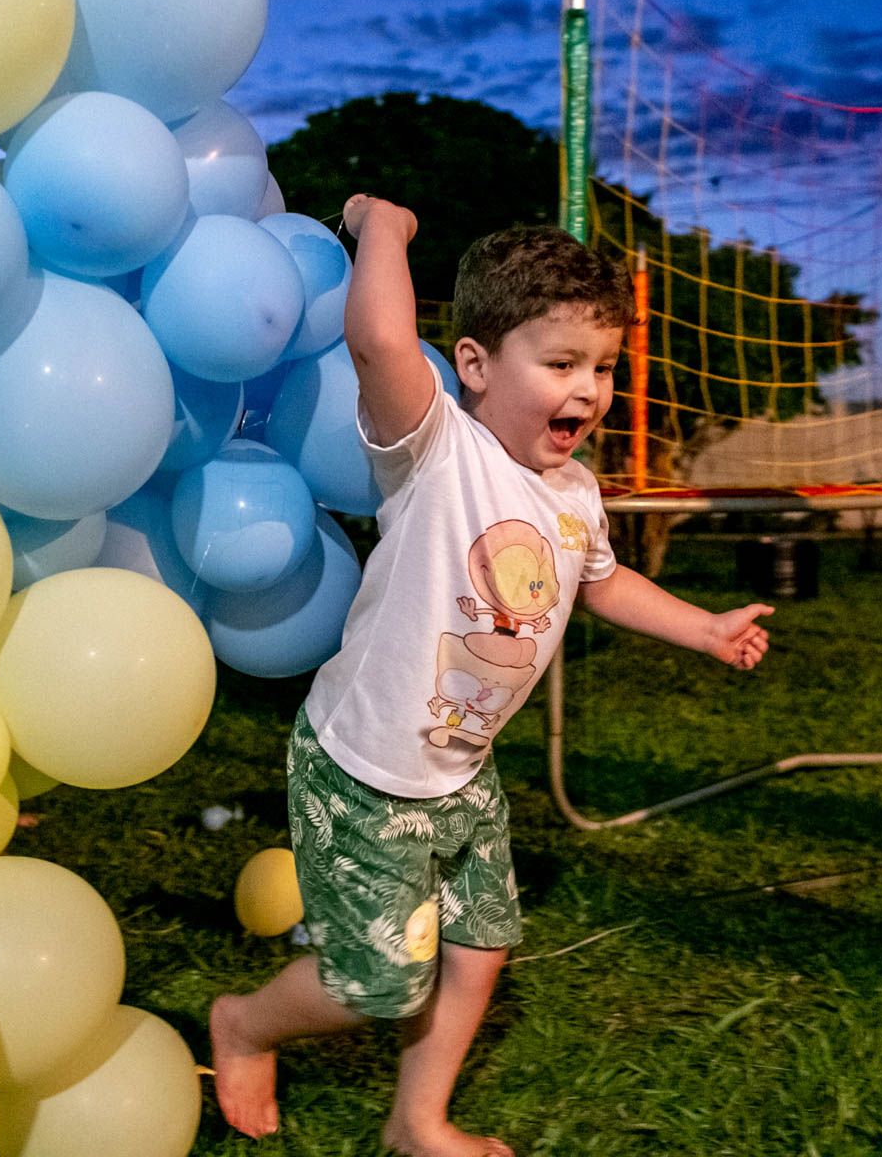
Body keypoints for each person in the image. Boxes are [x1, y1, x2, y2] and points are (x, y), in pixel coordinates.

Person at [210, 197, 775, 1156]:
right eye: (561, 364)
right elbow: (381, 342)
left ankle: (418, 1120)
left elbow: (602, 582)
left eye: (603, 367)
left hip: (463, 773)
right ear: (475, 364)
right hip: (364, 774)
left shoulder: (576, 491)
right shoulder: (437, 449)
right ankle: (245, 1025)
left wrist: (704, 627)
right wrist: (382, 228)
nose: (589, 390)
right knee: (376, 987)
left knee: (480, 947)